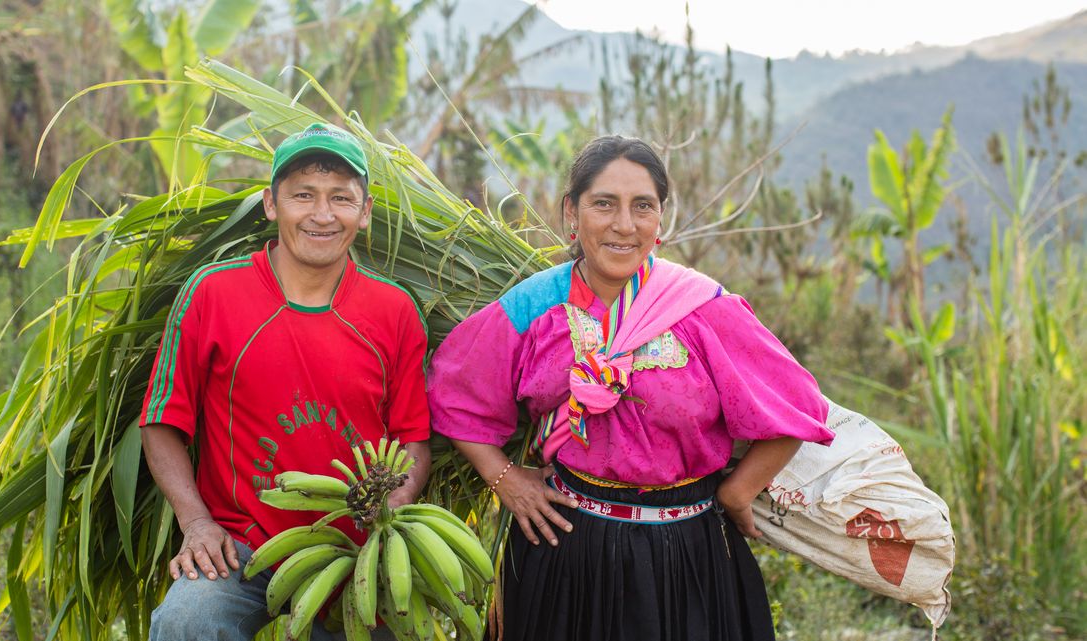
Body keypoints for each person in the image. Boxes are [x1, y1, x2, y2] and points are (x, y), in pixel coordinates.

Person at [427, 135, 835, 641]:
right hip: (567, 550)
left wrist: (736, 492)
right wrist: (503, 477)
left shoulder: (704, 308)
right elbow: (453, 391)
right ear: (571, 213)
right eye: (604, 204)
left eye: (643, 206)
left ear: (660, 218)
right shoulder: (533, 306)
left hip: (687, 555)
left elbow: (796, 404)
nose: (624, 225)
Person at [140, 122, 431, 641]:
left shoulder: (395, 310)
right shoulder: (212, 293)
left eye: (341, 198)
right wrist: (196, 523)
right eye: (303, 195)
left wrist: (395, 514)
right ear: (271, 205)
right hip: (241, 548)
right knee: (188, 622)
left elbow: (412, 438)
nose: (322, 214)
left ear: (364, 213)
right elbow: (162, 422)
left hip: (355, 555)